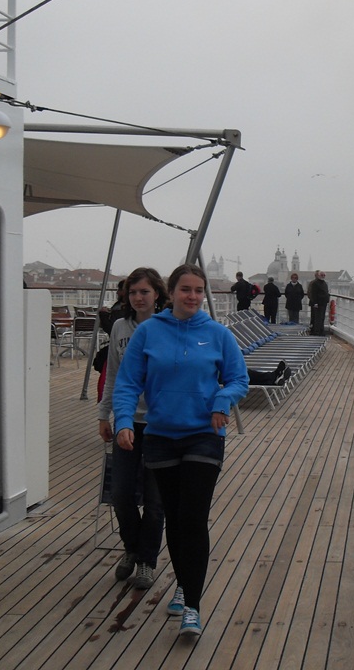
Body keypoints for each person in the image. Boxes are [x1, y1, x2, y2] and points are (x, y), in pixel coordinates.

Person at [113, 264, 249, 638]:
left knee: (192, 518)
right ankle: (185, 580)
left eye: (198, 290)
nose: (192, 296)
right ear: (170, 293)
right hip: (160, 435)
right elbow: (126, 383)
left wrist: (222, 399)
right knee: (173, 518)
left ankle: (192, 604)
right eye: (185, 289)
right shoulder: (149, 333)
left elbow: (239, 378)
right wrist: (124, 421)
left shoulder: (218, 334)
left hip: (205, 434)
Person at [97, 268, 168, 590]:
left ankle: (146, 560)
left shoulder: (168, 327)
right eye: (133, 292)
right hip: (127, 422)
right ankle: (132, 548)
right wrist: (104, 414)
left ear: (157, 295)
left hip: (162, 427)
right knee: (122, 494)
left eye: (145, 292)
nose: (138, 298)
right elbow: (113, 374)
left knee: (155, 502)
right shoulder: (120, 328)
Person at [95, 279, 128, 402]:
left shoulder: (119, 311)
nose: (117, 292)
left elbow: (111, 329)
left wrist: (104, 316)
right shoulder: (121, 311)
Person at [307, 270, 330, 337]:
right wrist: (315, 303)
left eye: (324, 275)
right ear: (318, 275)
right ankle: (316, 332)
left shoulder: (324, 283)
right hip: (318, 304)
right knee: (317, 318)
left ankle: (321, 331)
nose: (323, 276)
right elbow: (313, 294)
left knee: (322, 318)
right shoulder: (315, 283)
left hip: (323, 303)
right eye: (321, 275)